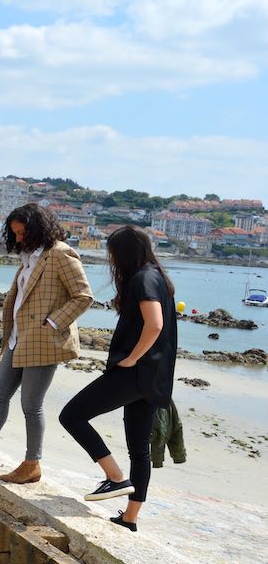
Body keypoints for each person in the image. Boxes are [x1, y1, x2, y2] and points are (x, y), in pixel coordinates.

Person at [0, 204, 92, 483]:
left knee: (31, 405)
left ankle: (32, 463)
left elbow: (84, 296)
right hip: (17, 338)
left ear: (38, 229)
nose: (18, 239)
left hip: (43, 341)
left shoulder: (60, 254)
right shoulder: (28, 257)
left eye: (22, 233)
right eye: (14, 234)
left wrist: (52, 323)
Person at [59, 226, 178, 531]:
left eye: (112, 254)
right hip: (154, 378)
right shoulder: (157, 276)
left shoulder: (142, 279)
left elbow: (155, 324)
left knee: (71, 416)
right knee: (140, 450)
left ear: (123, 253)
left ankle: (114, 477)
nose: (110, 260)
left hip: (134, 373)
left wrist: (132, 358)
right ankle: (130, 518)